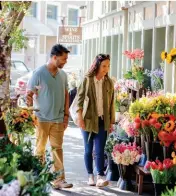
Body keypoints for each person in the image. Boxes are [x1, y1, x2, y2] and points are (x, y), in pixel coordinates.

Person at [26, 44, 73, 189]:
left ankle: (59, 180)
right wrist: (29, 104)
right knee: (39, 149)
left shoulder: (63, 75)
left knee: (57, 149)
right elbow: (29, 93)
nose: (65, 61)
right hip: (41, 119)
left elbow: (66, 95)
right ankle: (38, 177)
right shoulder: (39, 73)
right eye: (63, 59)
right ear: (54, 57)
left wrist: (66, 115)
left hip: (58, 119)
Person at [76, 54, 115, 187]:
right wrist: (80, 118)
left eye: (108, 66)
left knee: (100, 150)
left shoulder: (109, 82)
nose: (106, 69)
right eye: (104, 66)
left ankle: (100, 176)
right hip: (87, 120)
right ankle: (90, 175)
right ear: (97, 65)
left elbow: (111, 104)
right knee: (88, 150)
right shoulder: (87, 80)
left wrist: (111, 122)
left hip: (102, 121)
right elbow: (79, 101)